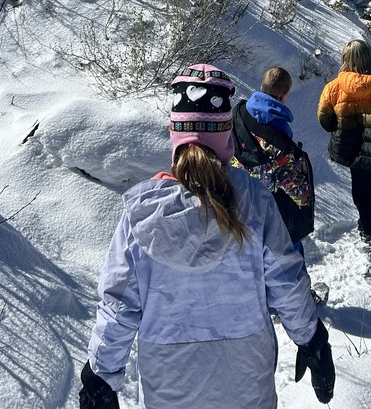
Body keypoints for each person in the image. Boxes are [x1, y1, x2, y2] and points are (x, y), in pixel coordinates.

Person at [78, 64, 335, 409]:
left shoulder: (143, 211)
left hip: (169, 387)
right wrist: (312, 339)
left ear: (174, 132)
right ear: (227, 134)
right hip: (247, 382)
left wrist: (100, 377)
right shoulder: (255, 199)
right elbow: (287, 282)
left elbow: (119, 306)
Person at [317, 39, 371, 277]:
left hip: (353, 153)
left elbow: (325, 121)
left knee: (363, 191)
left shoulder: (333, 88)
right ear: (368, 58)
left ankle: (367, 230)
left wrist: (345, 125)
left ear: (345, 59)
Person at [231, 65, 315, 247]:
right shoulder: (281, 140)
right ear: (284, 95)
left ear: (262, 87)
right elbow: (295, 189)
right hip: (268, 211)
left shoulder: (239, 114)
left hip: (238, 199)